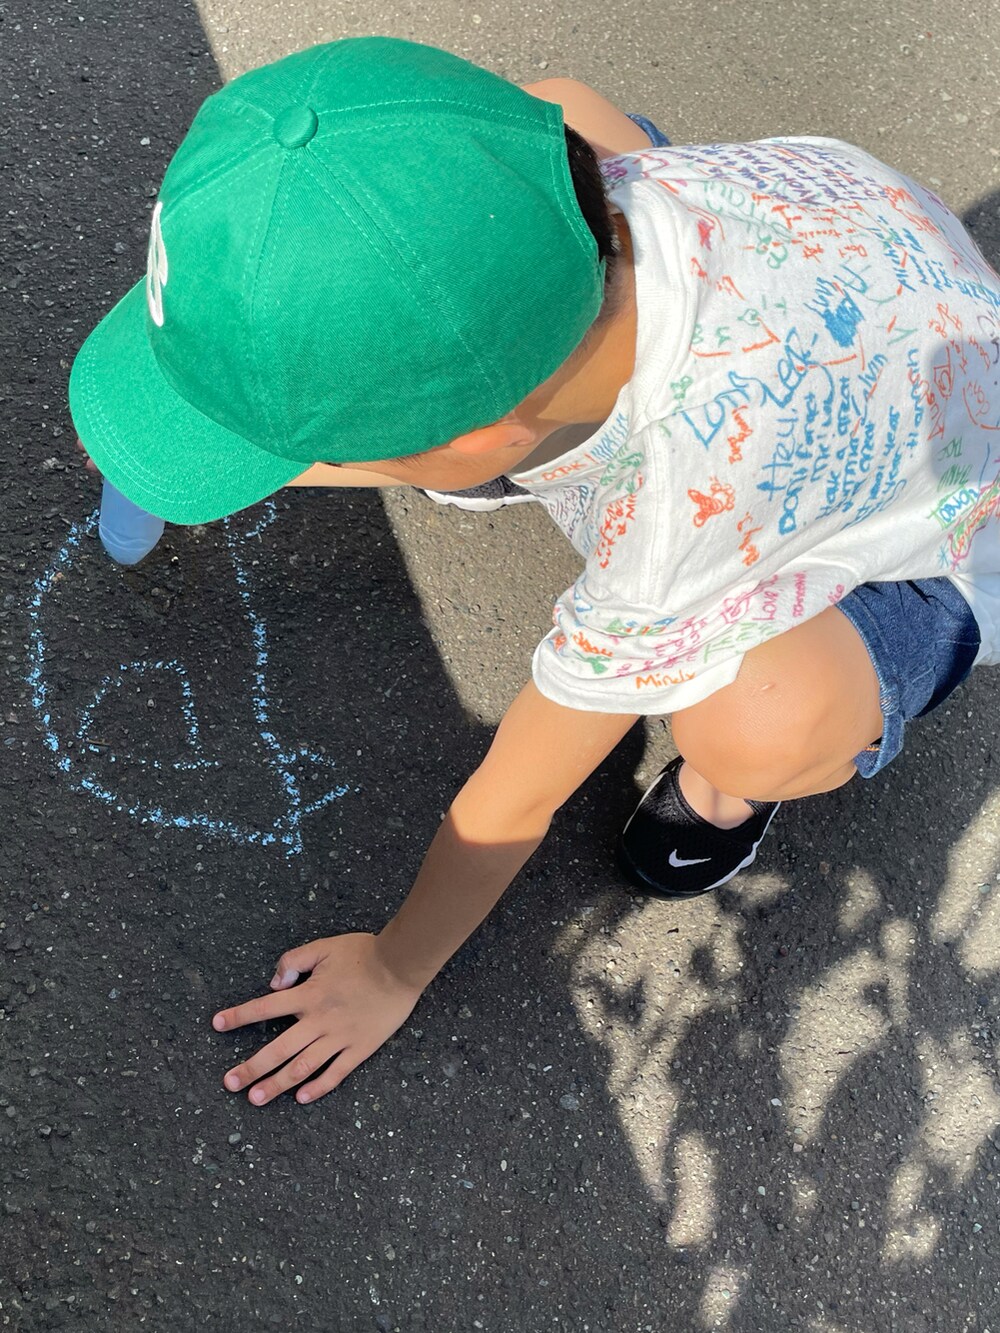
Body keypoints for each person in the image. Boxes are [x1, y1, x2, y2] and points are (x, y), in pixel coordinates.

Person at [70, 37, 1000, 1107]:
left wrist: (392, 967)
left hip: (916, 546)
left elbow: (518, 790)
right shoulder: (556, 162)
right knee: (557, 111)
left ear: (482, 445)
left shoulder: (675, 536)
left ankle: (726, 800)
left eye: (312, 443)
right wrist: (208, 436)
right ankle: (428, 390)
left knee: (758, 719)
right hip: (829, 247)